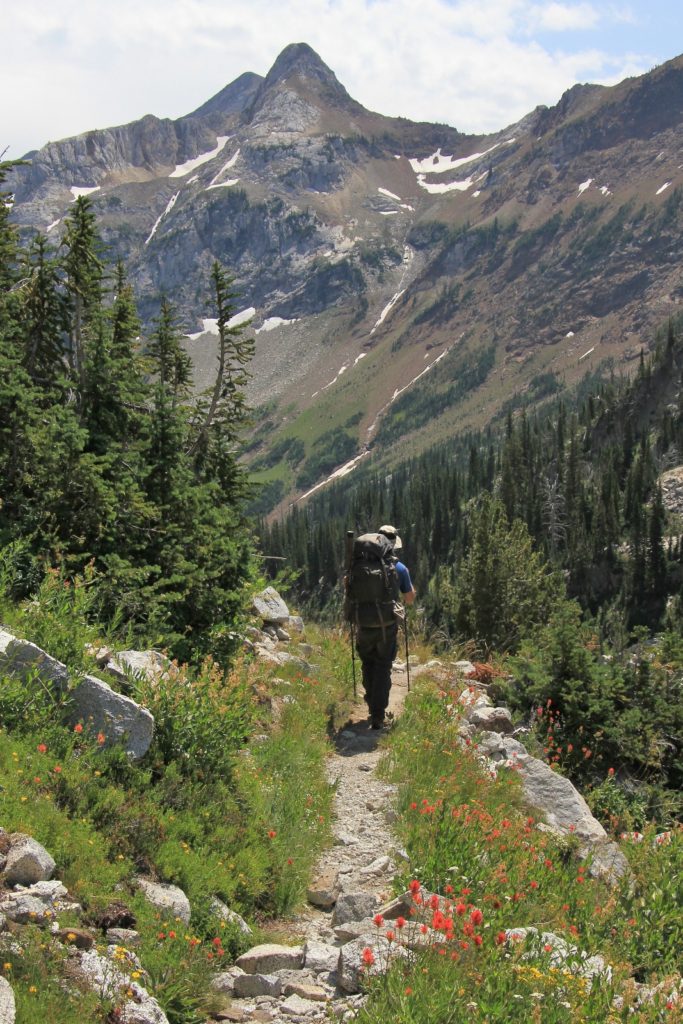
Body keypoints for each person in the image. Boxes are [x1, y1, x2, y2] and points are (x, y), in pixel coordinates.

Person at [355, 524, 415, 729]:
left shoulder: (359, 564)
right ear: (394, 544)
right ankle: (378, 714)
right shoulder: (399, 567)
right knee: (382, 666)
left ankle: (371, 700)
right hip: (386, 625)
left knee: (367, 663)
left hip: (363, 623)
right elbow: (409, 599)